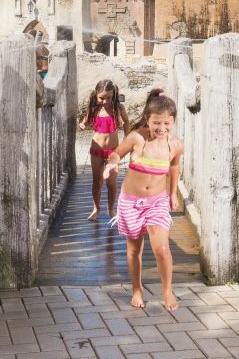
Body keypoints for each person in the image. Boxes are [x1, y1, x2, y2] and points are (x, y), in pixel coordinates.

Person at [103, 89, 183, 311]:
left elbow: (175, 166)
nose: (161, 128)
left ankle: (167, 291)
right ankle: (137, 288)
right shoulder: (136, 138)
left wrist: (172, 192)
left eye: (167, 123)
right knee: (134, 249)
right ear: (148, 119)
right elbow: (116, 153)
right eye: (157, 123)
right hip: (130, 201)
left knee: (162, 249)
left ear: (173, 121)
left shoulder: (175, 144)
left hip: (156, 202)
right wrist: (111, 163)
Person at [79, 79, 129, 221]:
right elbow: (85, 121)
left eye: (109, 97)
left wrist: (127, 137)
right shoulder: (94, 108)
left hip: (113, 151)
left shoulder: (118, 108)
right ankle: (96, 208)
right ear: (96, 95)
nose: (105, 101)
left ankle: (111, 209)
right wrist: (81, 125)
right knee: (97, 181)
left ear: (113, 95)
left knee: (111, 183)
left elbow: (126, 121)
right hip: (96, 151)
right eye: (102, 98)